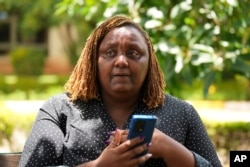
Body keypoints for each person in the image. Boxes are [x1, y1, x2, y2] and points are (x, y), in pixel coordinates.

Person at [19, 15, 222, 167]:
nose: (122, 61)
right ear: (93, 61)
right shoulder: (59, 110)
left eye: (134, 53)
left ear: (149, 63)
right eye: (109, 53)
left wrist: (169, 148)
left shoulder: (182, 113)